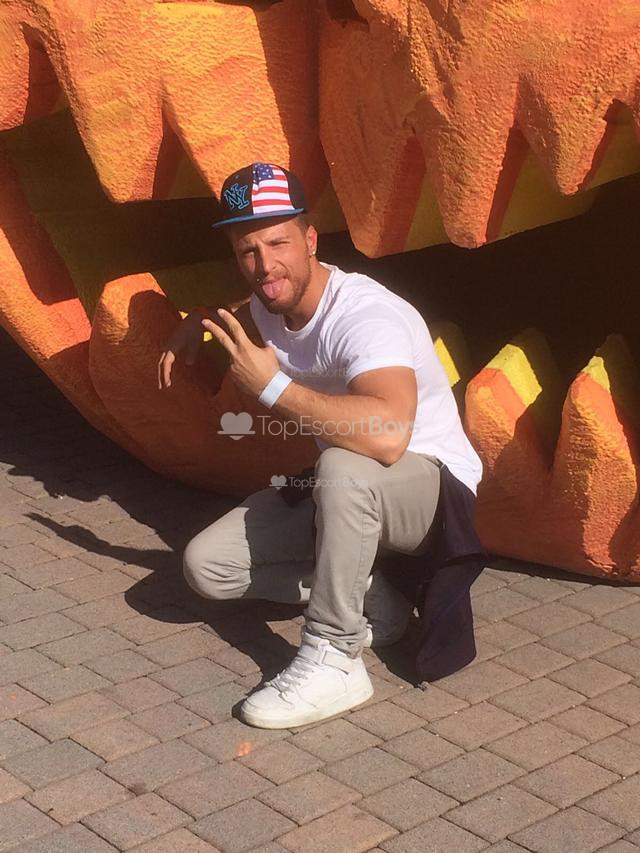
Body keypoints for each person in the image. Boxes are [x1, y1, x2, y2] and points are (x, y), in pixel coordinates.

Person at [158, 162, 483, 729]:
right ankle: (371, 597)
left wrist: (272, 388)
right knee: (206, 567)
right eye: (247, 250)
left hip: (432, 489)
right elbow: (247, 305)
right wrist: (199, 319)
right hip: (348, 481)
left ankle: (335, 656)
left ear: (311, 240)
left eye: (278, 243)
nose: (265, 265)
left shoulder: (366, 317)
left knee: (340, 465)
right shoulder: (269, 299)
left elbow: (387, 438)